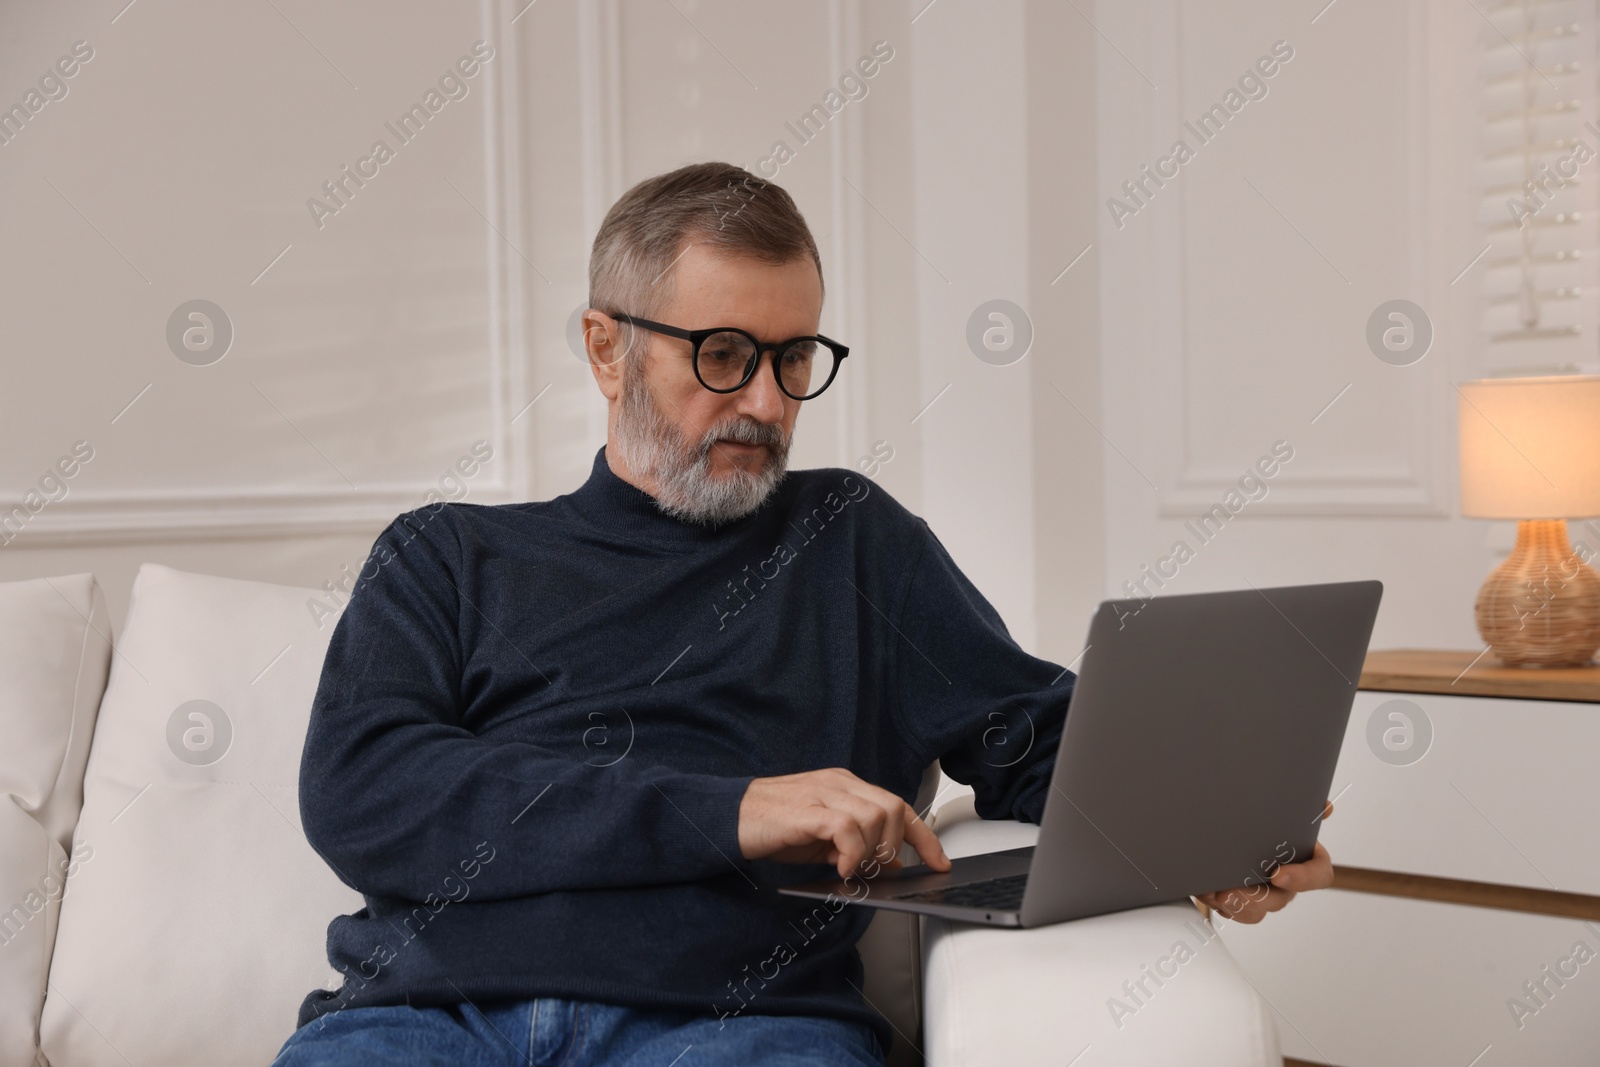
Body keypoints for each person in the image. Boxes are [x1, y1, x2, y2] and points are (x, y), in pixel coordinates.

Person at [273, 161, 1332, 1067]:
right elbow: (366, 791)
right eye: (724, 355)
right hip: (428, 1021)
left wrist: (1210, 822)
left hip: (741, 1026)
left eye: (793, 358)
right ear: (607, 348)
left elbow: (1035, 737)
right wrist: (730, 809)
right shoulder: (448, 554)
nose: (770, 404)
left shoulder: (852, 544)